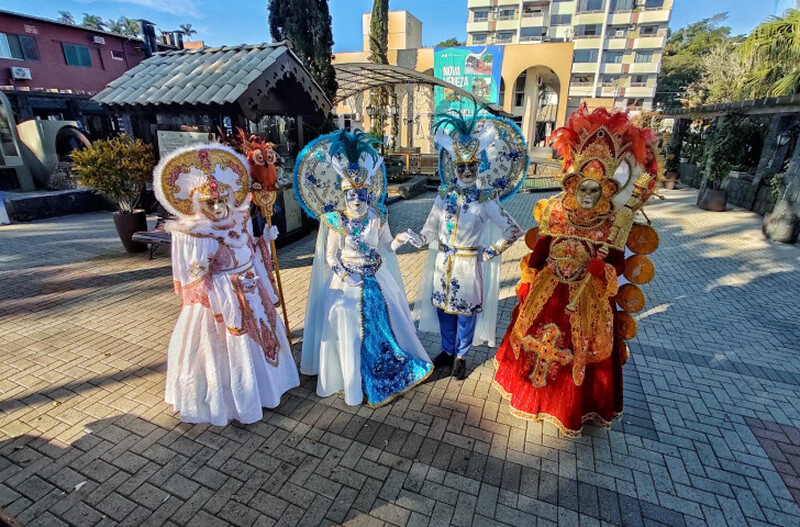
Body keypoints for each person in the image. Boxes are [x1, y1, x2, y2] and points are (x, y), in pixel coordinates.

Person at [493, 105, 660, 436]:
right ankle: (530, 397)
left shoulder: (614, 221)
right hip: (548, 289)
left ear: (607, 190)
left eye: (594, 190)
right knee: (529, 340)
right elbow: (541, 249)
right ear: (572, 183)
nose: (587, 196)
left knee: (579, 351)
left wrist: (602, 269)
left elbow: (615, 264)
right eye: (582, 188)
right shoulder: (555, 210)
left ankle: (572, 408)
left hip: (588, 299)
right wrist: (529, 278)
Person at [153, 144, 299, 426]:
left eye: (222, 200)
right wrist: (211, 273)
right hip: (223, 300)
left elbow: (250, 253)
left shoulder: (240, 220)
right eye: (211, 203)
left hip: (253, 291)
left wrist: (264, 240)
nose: (219, 208)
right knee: (231, 348)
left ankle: (270, 387)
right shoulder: (197, 234)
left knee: (266, 331)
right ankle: (239, 401)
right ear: (198, 205)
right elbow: (197, 278)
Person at [295, 130, 432, 407]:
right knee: (346, 320)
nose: (356, 200)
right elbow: (331, 256)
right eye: (351, 195)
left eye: (361, 194)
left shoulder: (377, 216)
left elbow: (387, 246)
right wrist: (344, 274)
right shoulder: (335, 220)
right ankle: (350, 377)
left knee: (389, 313)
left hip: (377, 275)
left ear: (367, 193)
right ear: (344, 195)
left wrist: (401, 240)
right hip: (347, 281)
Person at [395, 107, 528, 380]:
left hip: (468, 266)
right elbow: (430, 228)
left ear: (478, 166)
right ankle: (446, 350)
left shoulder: (485, 199)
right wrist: (416, 239)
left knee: (466, 315)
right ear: (454, 167)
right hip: (443, 264)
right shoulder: (444, 196)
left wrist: (489, 252)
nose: (467, 171)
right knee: (444, 310)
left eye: (471, 166)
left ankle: (461, 356)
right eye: (461, 166)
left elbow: (513, 229)